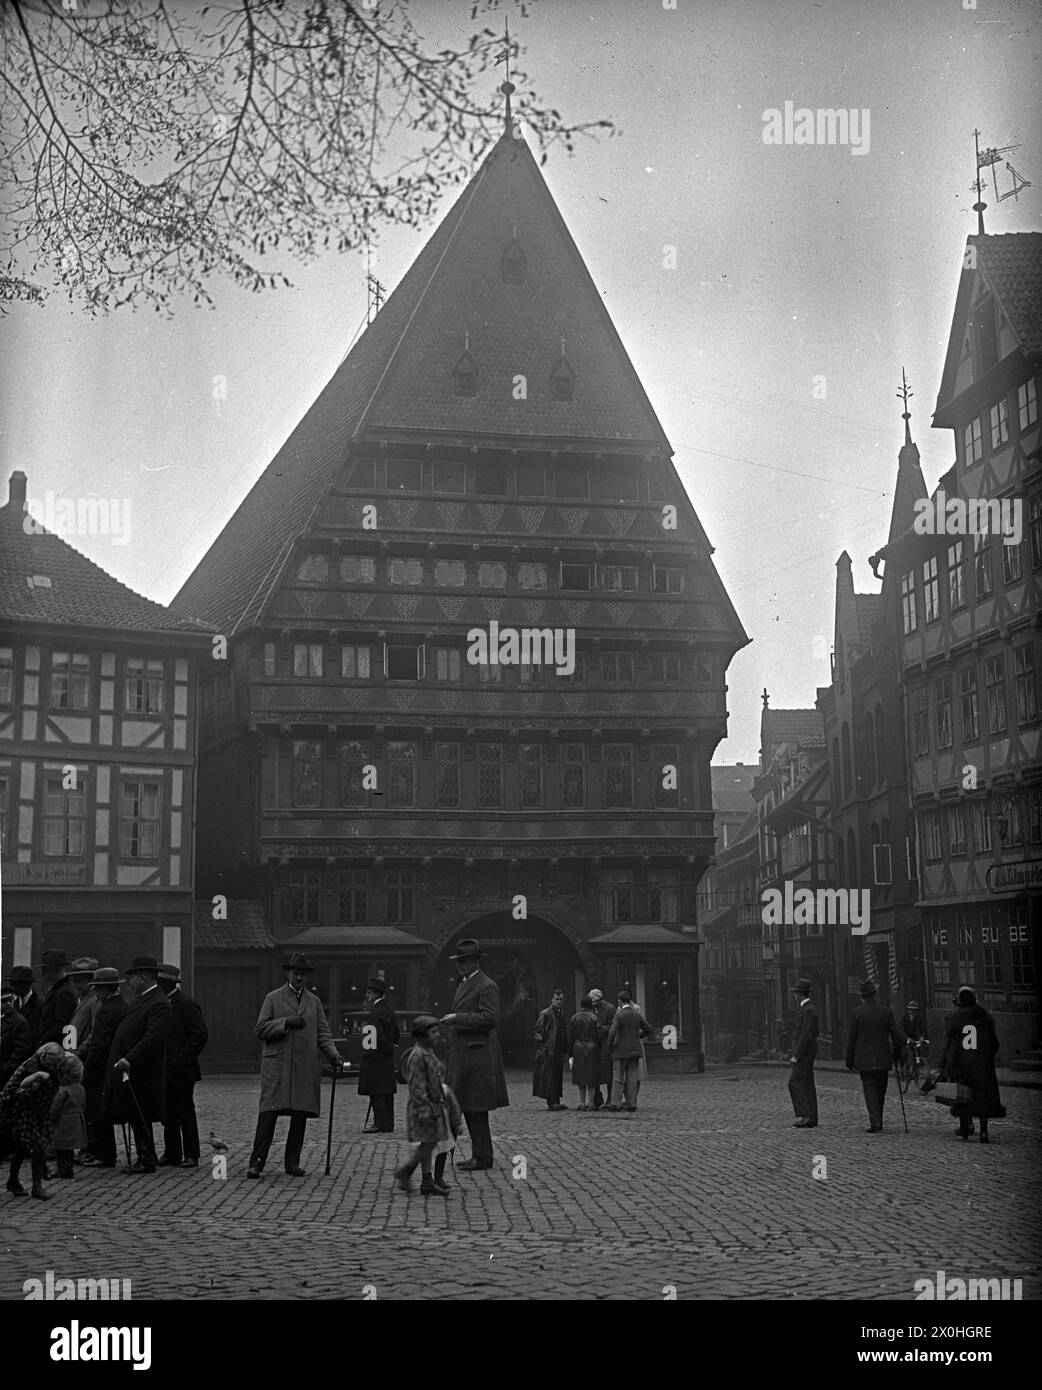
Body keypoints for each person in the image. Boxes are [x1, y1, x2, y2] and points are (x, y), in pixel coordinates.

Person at [247, 954, 345, 1179]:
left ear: (307, 976)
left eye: (303, 974)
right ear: (288, 974)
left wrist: (333, 1055)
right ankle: (256, 1163)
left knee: (299, 1115)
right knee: (268, 1114)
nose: (299, 977)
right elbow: (260, 1029)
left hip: (304, 1066)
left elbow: (323, 1034)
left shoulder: (314, 1002)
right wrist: (285, 1023)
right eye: (295, 973)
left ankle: (292, 1162)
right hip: (278, 1066)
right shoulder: (273, 998)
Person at [441, 938, 509, 1171]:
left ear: (475, 962)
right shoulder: (464, 984)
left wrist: (456, 1019)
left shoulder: (487, 985)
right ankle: (480, 1155)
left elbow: (490, 1019)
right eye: (458, 960)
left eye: (464, 961)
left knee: (477, 1109)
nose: (459, 965)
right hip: (466, 1056)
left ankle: (483, 1157)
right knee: (470, 1107)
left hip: (478, 1057)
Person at [103, 956, 172, 1175]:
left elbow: (152, 1037)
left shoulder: (158, 1003)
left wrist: (129, 1058)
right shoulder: (145, 999)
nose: (129, 982)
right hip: (133, 1070)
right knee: (135, 1113)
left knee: (140, 1114)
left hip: (142, 1071)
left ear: (143, 977)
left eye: (132, 978)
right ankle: (145, 1156)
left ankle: (146, 1158)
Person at [1, 1043, 82, 1199]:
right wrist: (37, 1077)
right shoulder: (33, 1067)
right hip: (22, 1108)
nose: (53, 1067)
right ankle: (24, 1183)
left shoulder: (55, 1066)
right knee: (26, 1145)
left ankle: (27, 1184)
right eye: (51, 1064)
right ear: (44, 1057)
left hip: (38, 1110)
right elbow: (20, 1090)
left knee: (33, 1147)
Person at [394, 1015, 454, 1197]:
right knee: (429, 1142)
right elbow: (417, 1087)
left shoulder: (428, 1052)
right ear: (422, 1035)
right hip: (424, 1107)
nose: (437, 1035)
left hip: (432, 1105)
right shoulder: (418, 1056)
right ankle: (406, 1170)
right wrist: (425, 1108)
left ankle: (426, 1180)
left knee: (428, 1142)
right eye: (433, 1032)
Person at [939, 985, 1006, 1144]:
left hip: (963, 1064)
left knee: (963, 1096)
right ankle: (984, 1132)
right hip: (982, 1065)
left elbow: (950, 1045)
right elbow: (994, 1043)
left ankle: (965, 1128)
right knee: (984, 1099)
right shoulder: (985, 1017)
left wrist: (944, 1064)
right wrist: (986, 1057)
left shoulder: (955, 1018)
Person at [157, 964, 209, 1168]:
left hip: (183, 1071)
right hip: (166, 1070)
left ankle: (191, 1154)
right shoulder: (161, 1003)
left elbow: (199, 1034)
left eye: (160, 982)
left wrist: (181, 1059)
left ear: (167, 983)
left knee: (185, 1112)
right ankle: (172, 1153)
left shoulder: (186, 1004)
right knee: (168, 1113)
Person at [81, 968, 127, 1167]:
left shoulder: (105, 1011)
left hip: (99, 1070)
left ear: (105, 989)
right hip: (115, 1065)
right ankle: (107, 1154)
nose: (97, 994)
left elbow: (98, 1045)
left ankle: (104, 1155)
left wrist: (88, 1068)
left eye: (98, 989)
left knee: (98, 1113)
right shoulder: (124, 1006)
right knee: (105, 1111)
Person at [845, 981, 904, 1133]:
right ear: (874, 994)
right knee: (880, 1089)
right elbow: (896, 1035)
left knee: (869, 1089)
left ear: (862, 996)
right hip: (883, 1057)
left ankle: (875, 1122)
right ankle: (879, 1120)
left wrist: (849, 1060)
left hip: (864, 1058)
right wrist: (896, 1054)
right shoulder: (886, 1011)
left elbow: (852, 1038)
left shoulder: (857, 1013)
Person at [358, 977, 399, 1133]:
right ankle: (389, 1123)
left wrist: (369, 1053)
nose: (367, 996)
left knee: (376, 1091)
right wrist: (389, 1048)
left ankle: (379, 1123)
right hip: (387, 1058)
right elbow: (396, 1034)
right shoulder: (390, 1010)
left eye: (369, 993)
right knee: (387, 1092)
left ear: (376, 993)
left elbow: (373, 1035)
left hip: (375, 1057)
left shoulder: (375, 1012)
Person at [606, 991, 653, 1112]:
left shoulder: (619, 1015)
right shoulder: (636, 1014)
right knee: (632, 1078)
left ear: (620, 1002)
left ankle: (615, 1103)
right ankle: (632, 1103)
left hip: (620, 1050)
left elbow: (612, 1032)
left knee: (618, 1077)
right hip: (634, 1050)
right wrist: (638, 1036)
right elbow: (649, 1029)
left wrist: (610, 1045)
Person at [788, 978, 819, 1128]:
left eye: (795, 993)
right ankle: (811, 1117)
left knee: (794, 1082)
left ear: (800, 994)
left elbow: (805, 1035)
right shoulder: (807, 1009)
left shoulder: (808, 1010)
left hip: (805, 1052)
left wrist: (796, 1055)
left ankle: (803, 1115)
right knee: (807, 1083)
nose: (794, 996)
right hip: (806, 1051)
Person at [533, 988, 568, 1111]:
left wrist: (564, 1050)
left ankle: (556, 1100)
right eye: (557, 999)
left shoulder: (561, 1013)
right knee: (549, 1076)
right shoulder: (545, 1014)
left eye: (561, 999)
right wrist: (544, 1046)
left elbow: (563, 1032)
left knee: (557, 1076)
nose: (559, 1001)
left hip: (557, 1050)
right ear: (552, 999)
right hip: (549, 1051)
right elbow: (538, 1033)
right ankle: (551, 1101)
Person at [51, 1066, 88, 1179]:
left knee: (60, 1147)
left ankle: (62, 1169)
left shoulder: (63, 1090)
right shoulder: (81, 1088)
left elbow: (55, 1107)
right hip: (77, 1120)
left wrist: (51, 1119)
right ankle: (69, 1167)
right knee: (70, 1148)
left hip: (64, 1121)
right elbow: (84, 1105)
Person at [567, 994, 601, 1110]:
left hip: (578, 1048)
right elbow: (599, 1035)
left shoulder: (574, 1018)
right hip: (592, 1048)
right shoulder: (594, 1018)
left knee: (580, 1077)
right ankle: (591, 1102)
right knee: (592, 1076)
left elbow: (570, 1037)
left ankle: (582, 1102)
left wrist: (570, 1053)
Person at [37, 950, 78, 1047]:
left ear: (58, 969)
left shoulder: (65, 992)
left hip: (56, 1050)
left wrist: (42, 1040)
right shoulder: (59, 989)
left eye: (46, 969)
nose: (43, 974)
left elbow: (61, 1026)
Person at [588, 987, 616, 1110]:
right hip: (594, 1044)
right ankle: (596, 1098)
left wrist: (601, 1029)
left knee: (608, 1072)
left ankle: (610, 1098)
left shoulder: (610, 1009)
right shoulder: (590, 1008)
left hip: (605, 1044)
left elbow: (613, 1026)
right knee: (594, 1071)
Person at [0, 988, 33, 1092]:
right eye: (4, 1001)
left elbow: (22, 1050)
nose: (8, 1003)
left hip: (7, 1075)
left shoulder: (19, 1022)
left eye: (10, 1000)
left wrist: (5, 1067)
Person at [8, 967, 42, 1046]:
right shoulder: (13, 1005)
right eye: (11, 984)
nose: (12, 987)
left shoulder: (40, 1004)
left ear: (26, 984)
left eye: (15, 984)